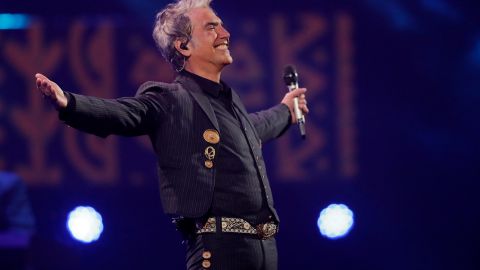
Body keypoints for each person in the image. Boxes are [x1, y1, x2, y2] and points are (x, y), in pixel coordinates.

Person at [35, 0, 308, 269]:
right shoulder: (171, 99)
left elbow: (254, 128)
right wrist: (70, 104)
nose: (225, 34)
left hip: (264, 251)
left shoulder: (230, 101)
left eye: (222, 26)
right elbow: (125, 113)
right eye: (212, 27)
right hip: (219, 251)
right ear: (183, 45)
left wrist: (286, 111)